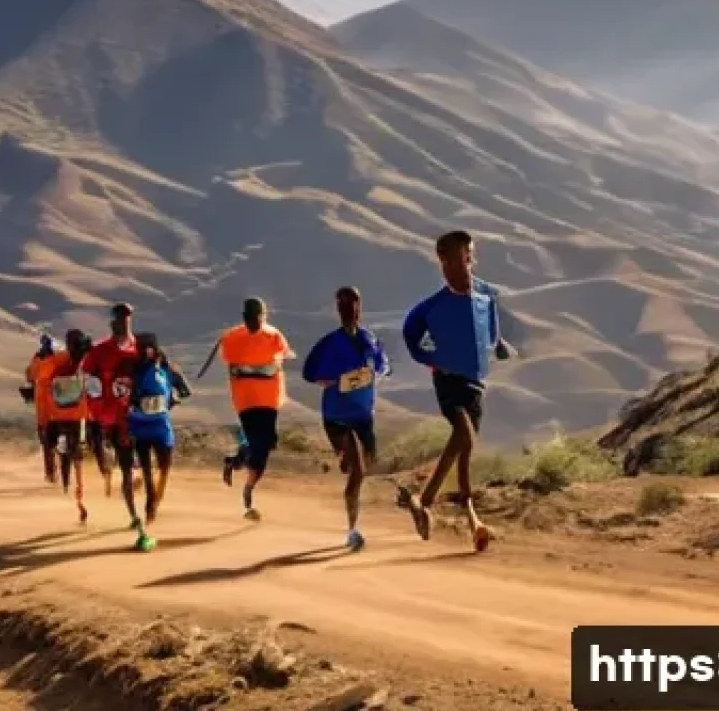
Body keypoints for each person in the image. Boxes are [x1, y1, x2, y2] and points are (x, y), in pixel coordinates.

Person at [400, 230, 511, 553]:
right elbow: (411, 335)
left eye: (470, 255)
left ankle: (424, 501)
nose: (469, 262)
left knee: (459, 446)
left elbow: (492, 328)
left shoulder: (484, 296)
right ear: (444, 261)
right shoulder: (431, 308)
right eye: (464, 256)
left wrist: (498, 344)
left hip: (476, 382)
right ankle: (472, 517)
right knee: (465, 437)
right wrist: (431, 359)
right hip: (448, 382)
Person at [302, 286, 390, 551]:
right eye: (344, 305)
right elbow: (308, 371)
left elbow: (382, 363)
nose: (350, 310)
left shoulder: (368, 339)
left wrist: (376, 373)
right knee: (359, 470)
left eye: (353, 304)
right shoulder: (328, 343)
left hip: (364, 415)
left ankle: (347, 463)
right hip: (337, 416)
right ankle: (352, 529)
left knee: (370, 464)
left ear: (360, 308)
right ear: (337, 310)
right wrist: (327, 380)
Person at [217, 297, 295, 521]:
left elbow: (284, 354)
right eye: (250, 318)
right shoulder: (233, 338)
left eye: (259, 317)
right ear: (244, 318)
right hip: (246, 400)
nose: (255, 322)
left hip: (270, 399)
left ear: (265, 316)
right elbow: (231, 364)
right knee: (256, 442)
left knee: (267, 442)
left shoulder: (273, 336)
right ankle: (248, 494)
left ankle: (237, 464)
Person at [127, 332, 192, 551]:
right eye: (140, 347)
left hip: (160, 425)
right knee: (147, 468)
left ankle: (154, 501)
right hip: (141, 424)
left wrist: (170, 401)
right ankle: (150, 504)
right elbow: (124, 392)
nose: (142, 351)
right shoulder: (133, 369)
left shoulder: (167, 368)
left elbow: (185, 391)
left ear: (153, 348)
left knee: (164, 467)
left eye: (146, 347)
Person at [81, 302, 141, 528]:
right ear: (113, 322)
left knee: (136, 465)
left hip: (137, 417)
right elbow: (87, 379)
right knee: (125, 467)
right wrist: (95, 408)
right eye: (119, 318)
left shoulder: (140, 350)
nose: (122, 322)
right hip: (111, 418)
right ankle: (134, 515)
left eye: (126, 318)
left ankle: (136, 480)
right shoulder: (99, 351)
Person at [40, 329, 93, 524]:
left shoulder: (70, 359)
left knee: (65, 447)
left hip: (70, 413)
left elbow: (43, 379)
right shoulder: (61, 361)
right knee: (71, 450)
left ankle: (78, 497)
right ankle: (73, 493)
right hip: (72, 413)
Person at [24, 334, 58, 484]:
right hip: (56, 400)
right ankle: (51, 473)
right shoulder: (57, 357)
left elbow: (30, 375)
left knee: (45, 437)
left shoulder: (38, 358)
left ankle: (51, 473)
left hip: (48, 402)